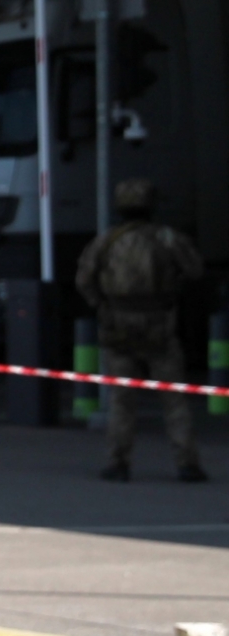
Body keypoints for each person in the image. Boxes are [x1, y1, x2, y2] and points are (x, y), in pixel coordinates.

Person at [76, 178, 208, 482]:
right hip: (159, 325)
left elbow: (84, 280)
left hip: (117, 326)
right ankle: (187, 463)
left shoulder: (105, 241)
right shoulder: (167, 238)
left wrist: (102, 306)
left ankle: (118, 462)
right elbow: (196, 270)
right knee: (174, 398)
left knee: (122, 400)